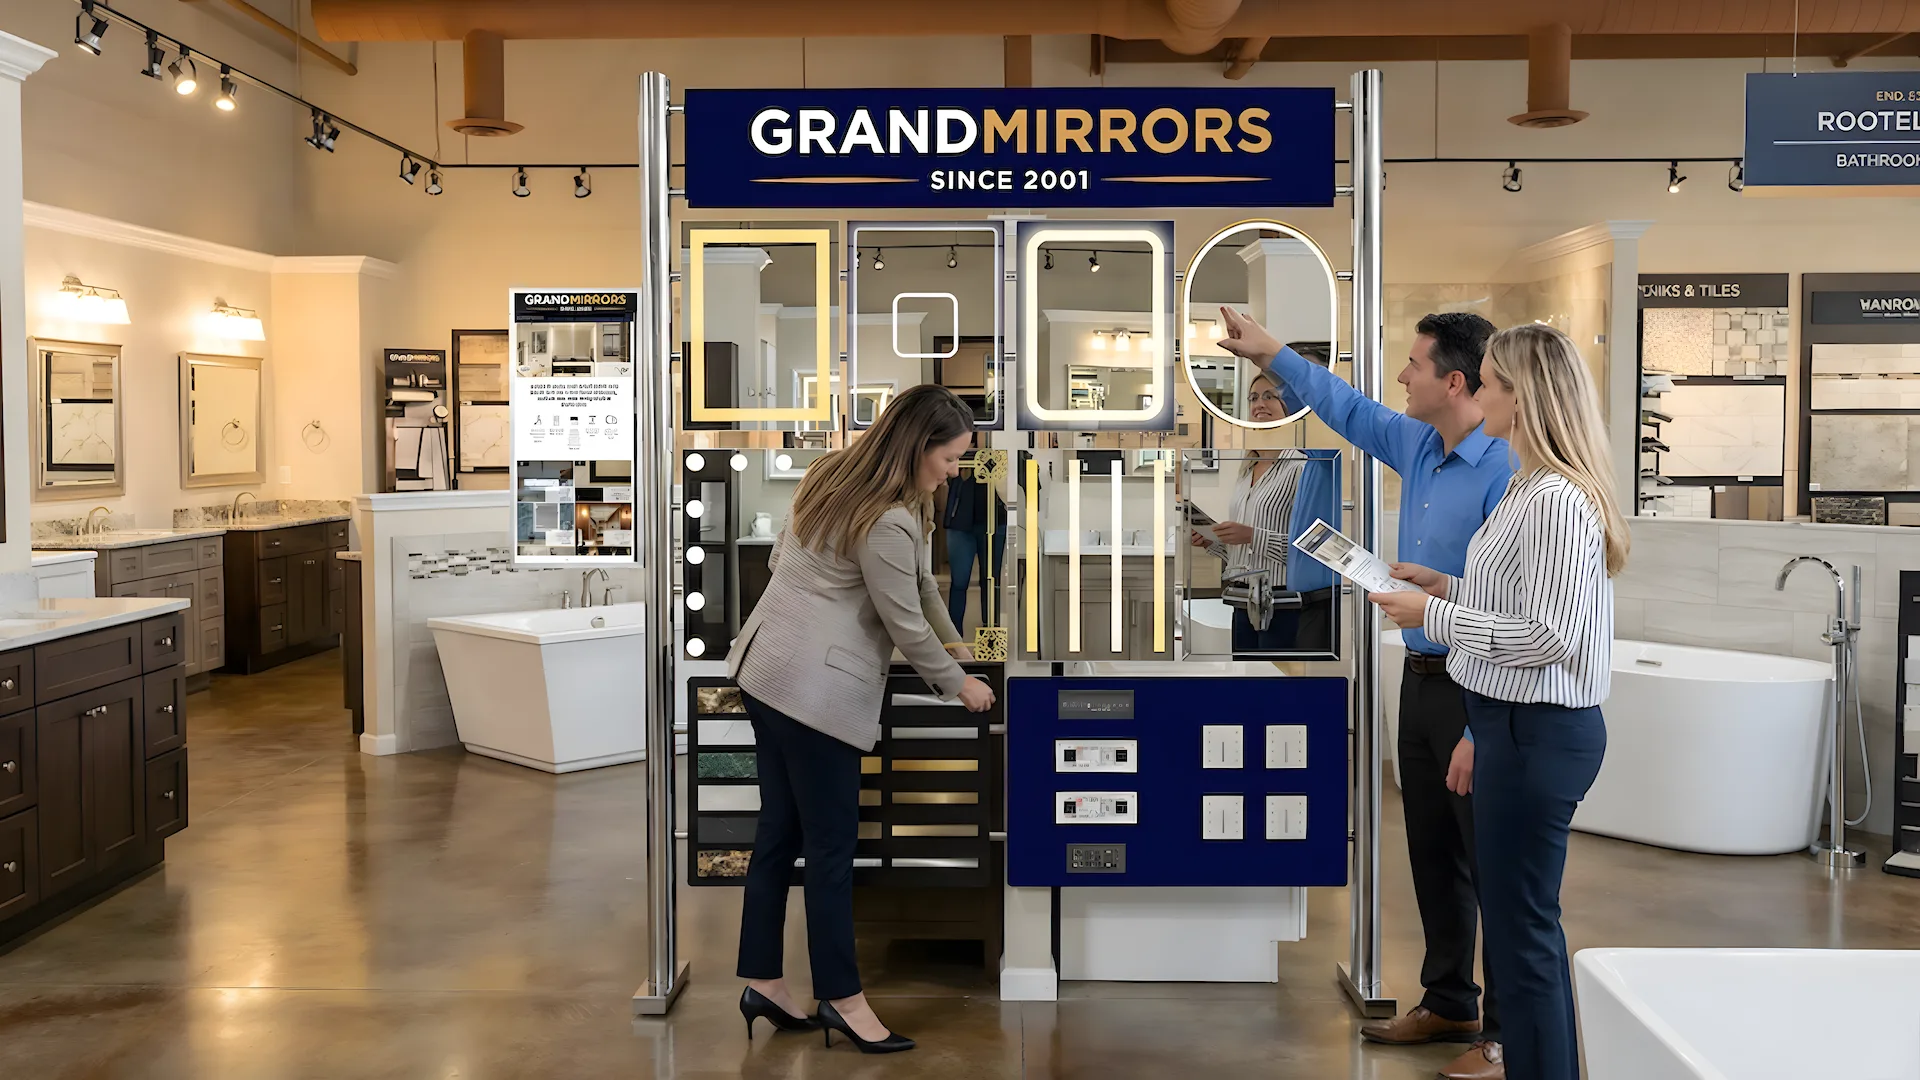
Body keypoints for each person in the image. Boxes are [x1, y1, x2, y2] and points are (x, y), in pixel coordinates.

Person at [1219, 307, 1512, 1080]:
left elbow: (1514, 609)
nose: (1402, 377)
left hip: (1478, 684)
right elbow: (1344, 406)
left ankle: (1508, 1037)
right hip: (1418, 681)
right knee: (1434, 855)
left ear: (1455, 380)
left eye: (1414, 364)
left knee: (1494, 865)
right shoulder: (1417, 442)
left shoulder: (1509, 472)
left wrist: (1483, 727)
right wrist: (1271, 352)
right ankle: (1451, 1001)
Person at [1370, 324, 1627, 1080]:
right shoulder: (1525, 485)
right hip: (1510, 722)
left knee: (1523, 929)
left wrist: (1436, 619)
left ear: (1523, 394)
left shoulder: (1553, 499)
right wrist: (1443, 585)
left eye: (1486, 382)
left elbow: (1551, 635)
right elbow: (1518, 597)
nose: (1474, 393)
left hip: (1537, 731)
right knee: (1517, 927)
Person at [725, 384, 997, 1056]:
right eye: (952, 457)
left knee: (776, 837)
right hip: (817, 696)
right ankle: (843, 1000)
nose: (956, 469)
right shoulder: (892, 517)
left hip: (766, 673)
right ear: (920, 446)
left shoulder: (834, 476)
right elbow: (901, 614)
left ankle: (764, 979)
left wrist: (957, 647)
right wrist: (955, 681)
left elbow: (919, 586)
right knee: (830, 853)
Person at [1192, 369, 1315, 652]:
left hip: (1281, 601)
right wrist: (1212, 543)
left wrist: (1251, 535)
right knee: (1246, 682)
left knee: (1276, 686)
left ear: (1291, 407)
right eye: (1253, 397)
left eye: (1270, 396)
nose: (1259, 403)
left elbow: (1310, 551)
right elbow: (1246, 551)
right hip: (1241, 597)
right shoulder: (1246, 469)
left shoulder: (1302, 467)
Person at [939, 435, 1008, 633]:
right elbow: (951, 476)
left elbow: (1004, 484)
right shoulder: (958, 453)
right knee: (959, 582)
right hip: (961, 523)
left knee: (991, 580)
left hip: (994, 521)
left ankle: (991, 631)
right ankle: (954, 635)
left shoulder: (999, 452)